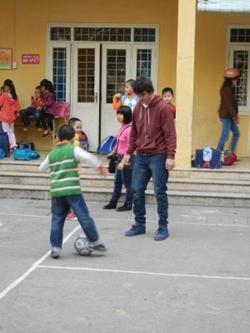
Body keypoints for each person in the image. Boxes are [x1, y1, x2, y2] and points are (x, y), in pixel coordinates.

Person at [39, 124, 107, 258]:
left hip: (57, 191)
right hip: (72, 189)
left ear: (59, 137)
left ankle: (56, 247)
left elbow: (41, 168)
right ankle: (95, 241)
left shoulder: (52, 153)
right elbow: (87, 157)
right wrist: (99, 166)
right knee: (83, 216)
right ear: (72, 137)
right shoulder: (73, 149)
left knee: (57, 219)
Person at [123, 77, 176, 241]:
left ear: (150, 92)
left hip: (158, 156)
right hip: (140, 155)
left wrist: (170, 156)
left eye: (143, 95)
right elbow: (134, 132)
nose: (141, 98)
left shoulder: (163, 108)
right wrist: (128, 152)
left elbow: (170, 134)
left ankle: (162, 227)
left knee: (159, 191)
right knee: (136, 190)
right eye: (138, 95)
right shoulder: (138, 108)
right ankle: (139, 224)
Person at [103, 106, 133, 212]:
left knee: (128, 182)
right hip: (119, 157)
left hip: (127, 159)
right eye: (118, 114)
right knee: (117, 181)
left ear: (127, 115)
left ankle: (128, 204)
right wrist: (112, 153)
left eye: (121, 114)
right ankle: (113, 202)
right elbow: (119, 142)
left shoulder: (130, 129)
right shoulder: (122, 127)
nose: (118, 116)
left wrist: (124, 162)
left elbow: (130, 147)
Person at [217, 68, 240, 164]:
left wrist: (234, 115)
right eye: (236, 79)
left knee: (236, 133)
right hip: (226, 116)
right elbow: (228, 104)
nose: (237, 80)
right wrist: (235, 117)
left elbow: (232, 103)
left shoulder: (230, 87)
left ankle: (232, 154)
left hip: (229, 116)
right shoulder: (226, 89)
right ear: (232, 79)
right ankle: (217, 154)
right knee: (225, 135)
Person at [66, 117, 84, 221]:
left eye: (80, 127)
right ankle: (69, 213)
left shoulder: (76, 137)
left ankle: (71, 211)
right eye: (77, 127)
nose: (79, 129)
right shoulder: (70, 138)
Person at [0, 79, 21, 149]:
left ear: (6, 87)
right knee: (11, 132)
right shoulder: (15, 96)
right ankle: (14, 145)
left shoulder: (4, 95)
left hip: (4, 117)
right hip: (12, 117)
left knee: (6, 132)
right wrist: (17, 113)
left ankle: (9, 146)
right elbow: (18, 107)